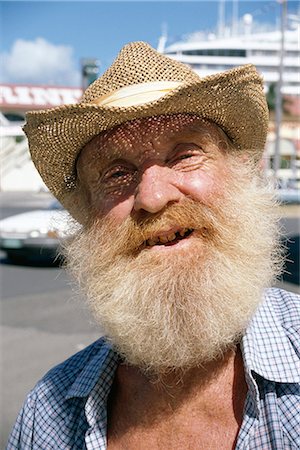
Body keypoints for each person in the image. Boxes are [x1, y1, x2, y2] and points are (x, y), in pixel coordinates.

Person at [7, 42, 299, 450]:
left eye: (184, 155)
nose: (152, 196)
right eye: (117, 173)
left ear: (240, 173)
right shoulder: (48, 414)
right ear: (88, 214)